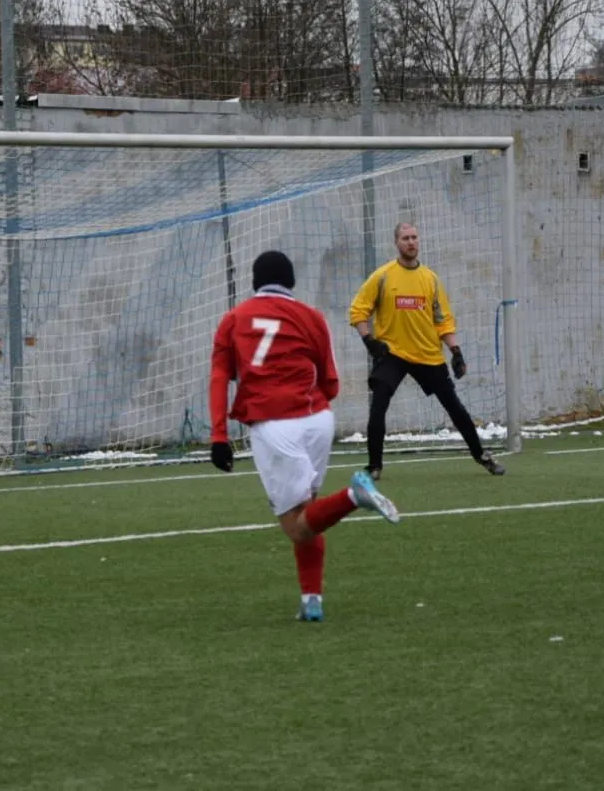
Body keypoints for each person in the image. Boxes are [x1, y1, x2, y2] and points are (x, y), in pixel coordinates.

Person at [209, 249, 400, 623]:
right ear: (291, 282)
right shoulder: (312, 317)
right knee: (308, 513)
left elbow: (219, 378)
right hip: (317, 420)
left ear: (254, 282)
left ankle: (353, 495)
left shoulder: (234, 319)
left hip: (274, 425)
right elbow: (331, 382)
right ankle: (312, 600)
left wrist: (219, 436)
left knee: (295, 527)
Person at [349, 222, 505, 482]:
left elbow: (443, 321)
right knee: (379, 404)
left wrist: (456, 352)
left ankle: (482, 455)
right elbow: (358, 311)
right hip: (393, 354)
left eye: (414, 237)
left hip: (428, 354)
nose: (411, 242)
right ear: (396, 243)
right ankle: (374, 466)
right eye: (405, 238)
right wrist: (369, 341)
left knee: (454, 406)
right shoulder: (382, 276)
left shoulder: (431, 279)